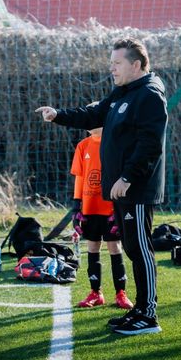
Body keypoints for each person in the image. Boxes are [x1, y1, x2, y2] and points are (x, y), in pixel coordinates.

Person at [36, 38, 167, 335]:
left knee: (140, 249)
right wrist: (58, 115)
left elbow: (150, 144)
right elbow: (93, 114)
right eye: (111, 63)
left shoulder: (149, 94)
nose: (112, 68)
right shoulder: (123, 92)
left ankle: (148, 315)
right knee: (132, 248)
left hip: (135, 189)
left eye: (117, 63)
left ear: (136, 64)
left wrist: (127, 177)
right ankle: (140, 310)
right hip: (119, 189)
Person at [70, 104, 133, 310]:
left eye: (92, 117)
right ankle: (95, 293)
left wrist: (120, 206)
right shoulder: (83, 146)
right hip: (90, 208)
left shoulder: (116, 144)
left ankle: (121, 293)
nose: (88, 122)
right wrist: (76, 206)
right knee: (92, 247)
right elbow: (80, 177)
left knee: (115, 247)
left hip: (111, 208)